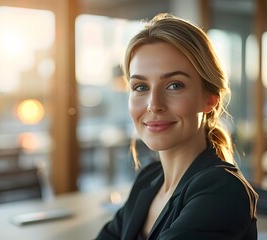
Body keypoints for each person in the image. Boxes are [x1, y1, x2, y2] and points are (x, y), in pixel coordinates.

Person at [96, 13, 258, 240]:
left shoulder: (221, 190)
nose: (154, 105)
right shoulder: (149, 179)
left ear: (209, 98)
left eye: (174, 85)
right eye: (141, 87)